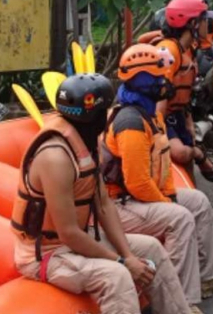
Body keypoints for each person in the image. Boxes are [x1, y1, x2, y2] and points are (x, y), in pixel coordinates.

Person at [11, 73, 193, 314]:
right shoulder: (55, 157)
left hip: (77, 241)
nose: (110, 115)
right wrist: (121, 261)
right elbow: (68, 233)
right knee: (117, 276)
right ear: (92, 116)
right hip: (47, 254)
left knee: (151, 249)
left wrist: (128, 254)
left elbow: (104, 205)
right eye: (105, 110)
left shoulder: (85, 141)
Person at [103, 44, 213, 313]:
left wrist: (170, 195)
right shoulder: (129, 122)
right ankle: (181, 302)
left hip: (138, 198)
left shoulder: (150, 113)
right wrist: (168, 203)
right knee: (179, 218)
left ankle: (210, 277)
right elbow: (137, 183)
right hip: (120, 204)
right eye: (158, 77)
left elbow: (161, 166)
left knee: (197, 201)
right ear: (144, 82)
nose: (165, 81)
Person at [155, 0, 213, 183]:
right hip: (161, 117)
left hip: (178, 115)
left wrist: (189, 123)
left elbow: (185, 93)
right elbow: (159, 96)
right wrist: (157, 134)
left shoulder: (189, 49)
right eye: (204, 20)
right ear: (192, 23)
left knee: (188, 173)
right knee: (182, 153)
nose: (207, 25)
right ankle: (199, 155)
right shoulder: (168, 51)